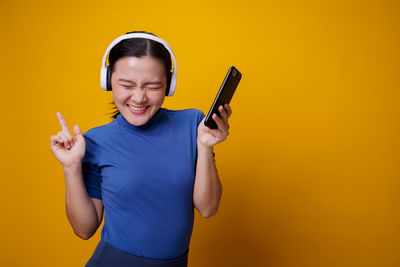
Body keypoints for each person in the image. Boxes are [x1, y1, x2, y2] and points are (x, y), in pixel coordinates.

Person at [49, 31, 232, 267]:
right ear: (107, 81)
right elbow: (84, 229)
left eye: (152, 86)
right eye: (126, 85)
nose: (138, 98)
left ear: (169, 85)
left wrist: (205, 147)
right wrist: (71, 167)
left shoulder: (193, 126)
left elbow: (208, 208)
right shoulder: (94, 142)